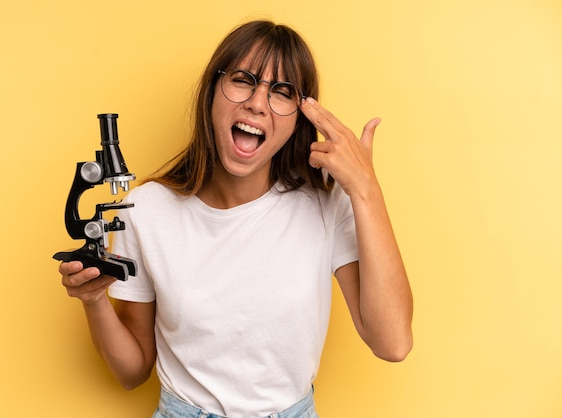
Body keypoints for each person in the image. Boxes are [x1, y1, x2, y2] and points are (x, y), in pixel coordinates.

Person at [59, 19, 413, 418]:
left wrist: (366, 189)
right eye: (243, 80)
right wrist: (93, 301)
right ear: (213, 91)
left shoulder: (326, 204)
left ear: (299, 117)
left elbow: (393, 343)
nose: (258, 103)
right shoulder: (146, 210)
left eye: (283, 92)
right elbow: (132, 371)